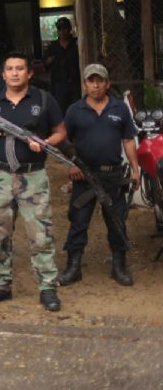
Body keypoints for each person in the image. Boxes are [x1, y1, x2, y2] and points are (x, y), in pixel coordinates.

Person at [0, 52, 65, 312]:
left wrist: (44, 143)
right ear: (3, 74)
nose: (14, 73)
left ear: (29, 73)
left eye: (20, 68)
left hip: (33, 175)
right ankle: (0, 284)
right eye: (10, 69)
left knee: (40, 234)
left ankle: (47, 287)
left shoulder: (44, 100)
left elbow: (60, 133)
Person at [58, 63, 140, 287]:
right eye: (91, 81)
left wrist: (135, 169)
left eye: (99, 80)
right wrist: (71, 164)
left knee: (116, 221)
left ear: (107, 83)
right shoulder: (75, 110)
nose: (95, 85)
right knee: (78, 222)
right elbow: (64, 141)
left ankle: (118, 266)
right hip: (83, 176)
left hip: (111, 175)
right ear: (85, 84)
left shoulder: (120, 109)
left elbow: (128, 140)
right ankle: (73, 267)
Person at [44, 16, 81, 113]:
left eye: (65, 28)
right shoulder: (53, 46)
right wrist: (50, 60)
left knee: (76, 109)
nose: (62, 31)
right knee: (60, 110)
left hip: (75, 82)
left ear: (69, 29)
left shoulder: (77, 43)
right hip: (59, 83)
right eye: (60, 29)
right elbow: (46, 63)